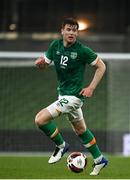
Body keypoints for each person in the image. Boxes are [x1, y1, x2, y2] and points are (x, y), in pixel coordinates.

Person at [35, 17, 108, 175]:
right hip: (63, 95)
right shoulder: (55, 46)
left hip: (74, 98)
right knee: (81, 130)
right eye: (68, 29)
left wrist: (91, 87)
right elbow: (45, 64)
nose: (71, 33)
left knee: (40, 119)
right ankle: (99, 159)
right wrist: (41, 64)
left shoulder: (82, 50)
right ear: (62, 31)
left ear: (77, 33)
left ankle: (61, 146)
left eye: (74, 30)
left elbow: (101, 66)